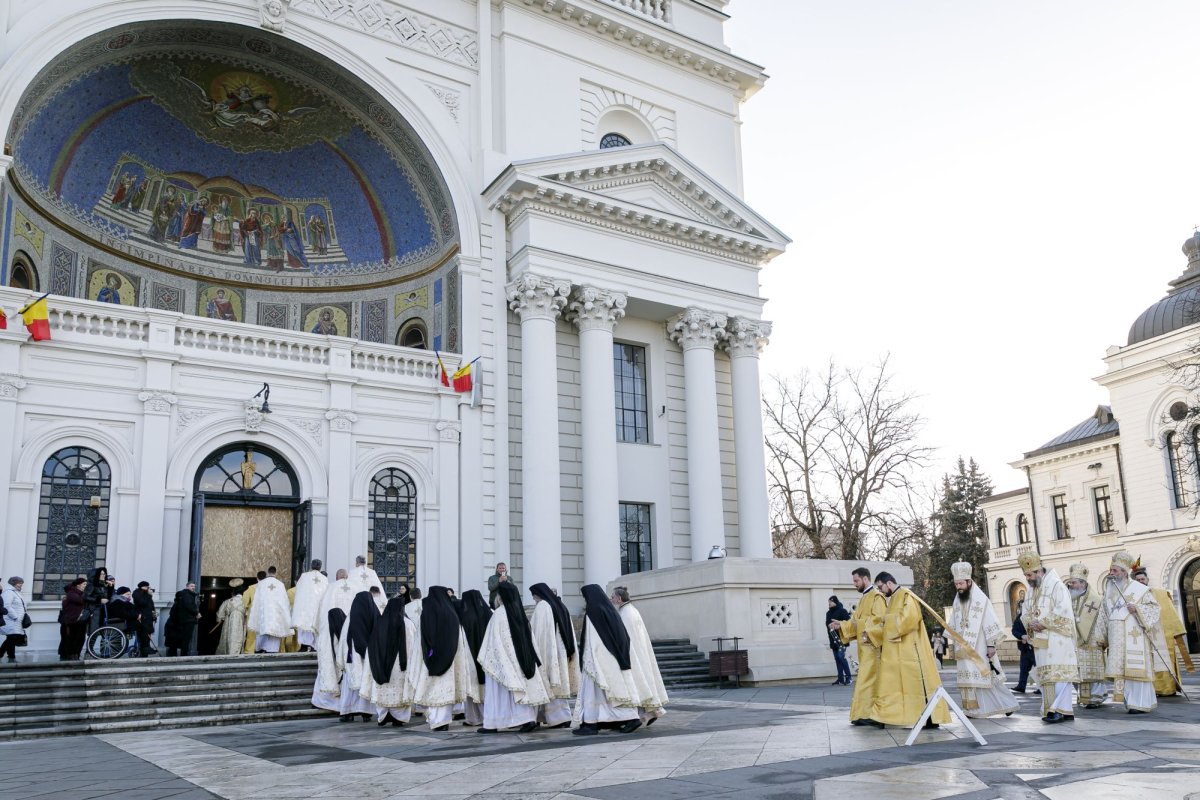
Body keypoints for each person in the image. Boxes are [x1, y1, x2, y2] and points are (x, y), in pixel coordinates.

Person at [871, 572, 950, 729]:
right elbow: (887, 624)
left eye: (881, 587)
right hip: (899, 652)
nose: (880, 591)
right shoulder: (892, 599)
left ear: (889, 583)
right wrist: (872, 631)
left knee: (919, 686)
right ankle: (904, 717)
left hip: (913, 652)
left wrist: (888, 620)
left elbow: (909, 620)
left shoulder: (907, 595)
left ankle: (930, 719)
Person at [1096, 551, 1169, 714]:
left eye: (1114, 571)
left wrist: (1137, 609)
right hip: (1117, 639)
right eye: (1111, 570)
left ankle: (1141, 703)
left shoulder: (1139, 589)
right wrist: (1100, 637)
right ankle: (1131, 701)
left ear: (1124, 571)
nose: (1111, 573)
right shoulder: (1109, 592)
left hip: (1135, 638)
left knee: (1137, 672)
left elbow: (1154, 609)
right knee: (1124, 672)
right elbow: (1103, 615)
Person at [948, 562, 1019, 718]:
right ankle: (973, 709)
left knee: (987, 678)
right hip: (964, 650)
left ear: (969, 581)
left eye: (961, 583)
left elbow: (989, 624)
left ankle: (1008, 704)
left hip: (980, 647)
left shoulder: (981, 599)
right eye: (956, 584)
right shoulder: (957, 600)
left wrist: (991, 645)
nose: (958, 586)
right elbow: (954, 625)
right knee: (973, 680)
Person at [476, 581, 547, 734]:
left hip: (502, 660)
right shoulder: (518, 612)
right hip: (521, 660)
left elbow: (492, 640)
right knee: (519, 690)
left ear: (500, 597)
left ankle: (493, 723)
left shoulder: (499, 614)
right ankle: (526, 719)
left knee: (499, 693)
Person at [573, 584, 643, 735]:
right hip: (611, 658)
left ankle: (592, 724)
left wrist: (589, 660)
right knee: (612, 693)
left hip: (598, 660)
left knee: (598, 693)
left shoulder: (593, 611)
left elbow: (592, 639)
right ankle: (606, 721)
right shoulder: (609, 609)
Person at [1019, 552, 1078, 723]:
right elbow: (1026, 613)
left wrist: (1043, 623)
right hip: (1041, 641)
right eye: (1025, 575)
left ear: (1039, 571)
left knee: (1059, 676)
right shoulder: (1031, 590)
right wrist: (1030, 623)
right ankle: (1063, 710)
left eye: (1029, 575)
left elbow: (1064, 611)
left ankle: (1057, 710)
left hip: (1058, 640)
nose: (1028, 578)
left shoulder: (1057, 586)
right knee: (1047, 677)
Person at [408, 586, 474, 732]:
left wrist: (428, 654)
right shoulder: (452, 614)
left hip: (431, 660)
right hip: (450, 663)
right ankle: (444, 721)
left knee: (432, 691)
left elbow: (422, 638)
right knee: (446, 691)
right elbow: (459, 642)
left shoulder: (427, 613)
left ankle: (437, 721)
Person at [829, 567, 887, 726]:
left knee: (869, 681)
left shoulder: (877, 597)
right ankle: (863, 713)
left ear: (865, 579)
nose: (854, 584)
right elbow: (855, 622)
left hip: (874, 648)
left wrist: (859, 625)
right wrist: (840, 625)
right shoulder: (864, 599)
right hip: (865, 649)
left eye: (856, 581)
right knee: (864, 680)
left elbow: (879, 621)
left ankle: (871, 714)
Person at [1132, 563, 1195, 696]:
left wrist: (1177, 630)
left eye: (1142, 579)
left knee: (1165, 660)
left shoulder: (1160, 594)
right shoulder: (1133, 597)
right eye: (1138, 580)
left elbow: (1170, 612)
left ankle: (1168, 688)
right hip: (1143, 635)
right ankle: (1152, 689)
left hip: (1161, 632)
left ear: (1147, 580)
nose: (1141, 582)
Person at [612, 586, 668, 725]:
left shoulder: (626, 614)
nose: (611, 599)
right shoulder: (632, 610)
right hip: (640, 653)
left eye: (612, 597)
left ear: (619, 599)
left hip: (634, 655)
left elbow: (625, 637)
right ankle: (651, 712)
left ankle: (649, 712)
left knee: (638, 684)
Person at [359, 594, 414, 726]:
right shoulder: (408, 624)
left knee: (383, 689)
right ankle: (398, 718)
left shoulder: (380, 622)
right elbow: (412, 645)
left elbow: (372, 645)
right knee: (399, 691)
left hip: (382, 664)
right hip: (401, 666)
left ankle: (383, 715)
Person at [530, 583, 578, 728]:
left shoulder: (543, 606)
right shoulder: (559, 604)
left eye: (533, 595)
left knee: (551, 685)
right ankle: (559, 717)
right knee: (558, 685)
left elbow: (538, 632)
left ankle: (557, 718)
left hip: (550, 651)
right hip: (561, 650)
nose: (533, 598)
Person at [313, 569, 357, 712]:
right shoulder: (355, 587)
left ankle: (328, 701)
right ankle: (350, 704)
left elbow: (321, 611)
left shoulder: (330, 588)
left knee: (330, 662)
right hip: (352, 631)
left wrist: (318, 630)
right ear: (347, 576)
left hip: (330, 630)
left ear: (337, 577)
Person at [1065, 563, 1109, 708]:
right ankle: (1082, 696)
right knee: (1077, 671)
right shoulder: (1068, 599)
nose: (1071, 585)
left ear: (1083, 583)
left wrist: (1102, 639)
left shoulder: (1096, 600)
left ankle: (1096, 697)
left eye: (1074, 582)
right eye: (1071, 583)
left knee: (1093, 670)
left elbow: (1103, 620)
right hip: (1073, 642)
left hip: (1092, 640)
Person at [336, 590, 380, 722]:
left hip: (352, 656)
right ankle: (366, 713)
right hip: (369, 655)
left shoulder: (351, 617)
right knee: (366, 682)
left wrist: (343, 657)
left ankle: (347, 712)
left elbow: (343, 639)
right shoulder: (375, 614)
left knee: (351, 684)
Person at [456, 589, 492, 727]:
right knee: (487, 689)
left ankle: (474, 718)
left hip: (470, 656)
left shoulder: (465, 616)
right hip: (486, 657)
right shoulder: (488, 613)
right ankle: (488, 716)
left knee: (473, 689)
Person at [247, 566, 291, 654]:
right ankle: (272, 651)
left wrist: (255, 615)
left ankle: (260, 649)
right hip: (276, 617)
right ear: (275, 572)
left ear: (268, 572)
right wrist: (285, 615)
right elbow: (284, 602)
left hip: (264, 616)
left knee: (262, 631)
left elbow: (256, 601)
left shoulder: (261, 584)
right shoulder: (280, 585)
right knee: (274, 636)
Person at [290, 559, 328, 652]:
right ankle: (314, 646)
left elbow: (298, 591)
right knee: (315, 625)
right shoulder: (324, 579)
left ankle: (303, 645)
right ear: (320, 567)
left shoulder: (304, 576)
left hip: (305, 606)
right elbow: (326, 593)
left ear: (311, 565)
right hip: (318, 607)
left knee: (304, 625)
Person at [164, 582, 201, 657]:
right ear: (187, 587)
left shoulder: (181, 598)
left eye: (194, 586)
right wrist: (196, 613)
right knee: (185, 640)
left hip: (178, 622)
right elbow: (189, 605)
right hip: (187, 621)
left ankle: (174, 655)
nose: (193, 587)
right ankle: (183, 656)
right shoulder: (187, 595)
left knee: (176, 640)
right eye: (191, 586)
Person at [1010, 597, 1037, 694]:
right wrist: (1022, 636)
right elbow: (1014, 630)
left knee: (1039, 668)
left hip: (1037, 647)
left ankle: (1041, 687)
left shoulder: (1038, 615)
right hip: (1025, 648)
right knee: (1023, 668)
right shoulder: (1020, 616)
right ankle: (1021, 686)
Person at [58, 577, 89, 660]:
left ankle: (75, 655)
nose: (85, 586)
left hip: (80, 621)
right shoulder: (72, 593)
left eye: (86, 584)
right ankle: (65, 656)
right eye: (84, 584)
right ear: (78, 585)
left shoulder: (82, 593)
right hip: (70, 622)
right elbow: (81, 601)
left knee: (79, 639)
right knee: (68, 639)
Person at [214, 579, 247, 656]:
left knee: (227, 641)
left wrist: (220, 619)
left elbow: (219, 616)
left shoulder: (227, 602)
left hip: (228, 626)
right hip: (240, 626)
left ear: (233, 593)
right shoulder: (245, 602)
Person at [826, 596, 852, 685]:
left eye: (831, 602)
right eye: (828, 602)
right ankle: (840, 678)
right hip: (832, 639)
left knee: (841, 657)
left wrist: (839, 625)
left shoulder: (842, 611)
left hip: (841, 639)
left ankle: (849, 677)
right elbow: (827, 625)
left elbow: (849, 623)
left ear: (835, 602)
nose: (829, 603)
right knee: (837, 659)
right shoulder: (828, 613)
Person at [1, 577, 28, 662]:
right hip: (11, 620)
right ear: (13, 583)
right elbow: (7, 606)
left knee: (12, 638)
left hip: (16, 621)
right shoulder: (8, 593)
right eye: (19, 583)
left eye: (21, 583)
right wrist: (15, 616)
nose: (21, 585)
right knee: (12, 638)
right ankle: (2, 653)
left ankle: (11, 656)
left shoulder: (16, 593)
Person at [107, 586, 142, 652]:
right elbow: (123, 614)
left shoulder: (125, 602)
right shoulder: (117, 602)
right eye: (127, 594)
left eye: (130, 594)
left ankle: (141, 647)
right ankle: (141, 648)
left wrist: (139, 615)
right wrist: (137, 615)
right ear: (121, 595)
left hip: (126, 620)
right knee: (142, 626)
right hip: (118, 622)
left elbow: (135, 609)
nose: (129, 596)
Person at [242, 571, 267, 653]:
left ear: (257, 578)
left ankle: (250, 651)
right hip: (265, 617)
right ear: (266, 578)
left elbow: (244, 603)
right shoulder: (269, 588)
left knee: (251, 636)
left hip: (254, 616)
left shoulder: (251, 588)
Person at [83, 567, 111, 635]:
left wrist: (110, 586)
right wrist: (99, 600)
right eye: (101, 574)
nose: (103, 575)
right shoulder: (91, 584)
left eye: (104, 574)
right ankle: (90, 645)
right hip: (94, 610)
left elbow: (107, 597)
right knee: (94, 631)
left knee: (102, 630)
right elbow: (85, 596)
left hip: (102, 610)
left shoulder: (102, 584)